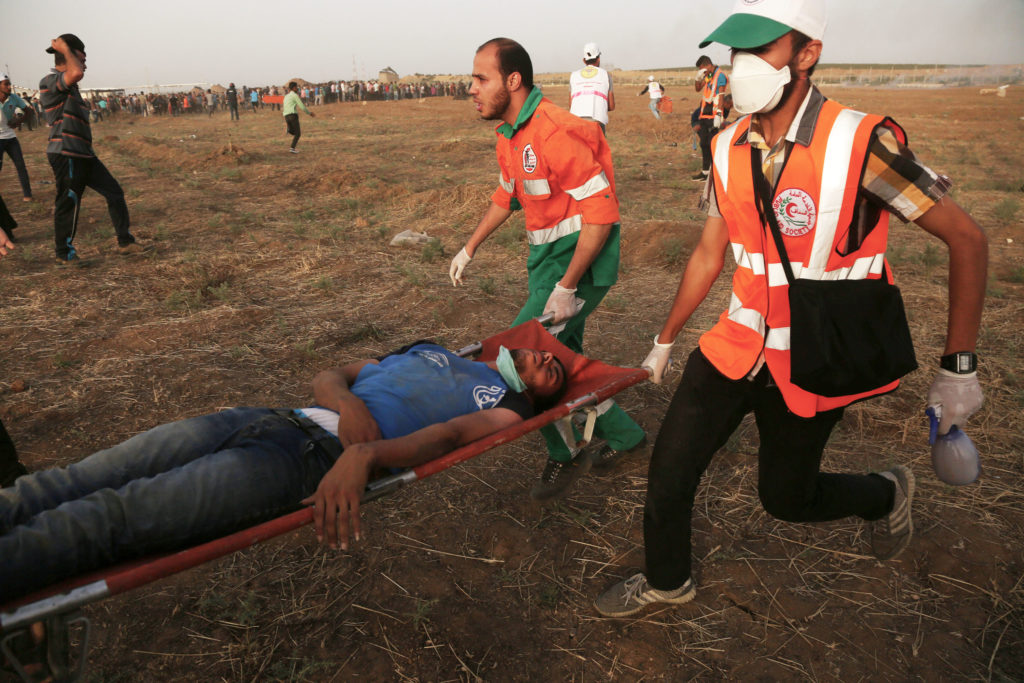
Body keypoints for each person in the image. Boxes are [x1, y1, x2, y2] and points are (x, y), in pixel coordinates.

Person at [595, 0, 987, 617]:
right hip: (734, 346)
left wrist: (959, 368)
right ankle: (668, 581)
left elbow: (967, 238)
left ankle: (884, 495)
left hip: (813, 358)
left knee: (786, 498)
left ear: (807, 55)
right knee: (668, 474)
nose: (739, 66)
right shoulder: (726, 146)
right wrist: (665, 339)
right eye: (734, 52)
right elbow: (709, 250)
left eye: (759, 50)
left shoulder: (861, 142)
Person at [0, 341, 567, 601]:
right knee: (71, 479)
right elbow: (330, 374)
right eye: (547, 355)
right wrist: (349, 406)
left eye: (557, 375)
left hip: (305, 461)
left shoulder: (506, 404)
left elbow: (448, 437)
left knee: (108, 516)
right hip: (267, 418)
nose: (550, 361)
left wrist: (364, 455)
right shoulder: (434, 349)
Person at [449, 38, 645, 501]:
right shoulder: (510, 137)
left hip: (577, 269)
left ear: (513, 80)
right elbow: (506, 197)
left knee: (519, 364)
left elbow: (601, 214)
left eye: (481, 79)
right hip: (547, 268)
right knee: (565, 367)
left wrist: (567, 286)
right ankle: (627, 437)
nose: (471, 89)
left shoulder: (556, 132)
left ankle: (563, 453)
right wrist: (469, 247)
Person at [39, 34, 145, 266]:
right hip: (66, 152)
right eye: (82, 58)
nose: (85, 64)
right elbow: (76, 71)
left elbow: (76, 74)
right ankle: (63, 253)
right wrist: (67, 48)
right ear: (69, 56)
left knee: (115, 193)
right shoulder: (50, 80)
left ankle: (125, 242)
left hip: (84, 154)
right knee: (69, 201)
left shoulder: (72, 87)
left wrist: (69, 52)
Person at [692, 55, 729, 181]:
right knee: (703, 144)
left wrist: (719, 114)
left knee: (712, 144)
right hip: (704, 115)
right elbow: (698, 89)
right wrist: (697, 79)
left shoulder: (720, 75)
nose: (702, 72)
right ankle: (705, 172)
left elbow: (721, 94)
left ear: (707, 64)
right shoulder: (708, 76)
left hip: (714, 116)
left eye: (702, 69)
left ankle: (715, 174)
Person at [0, 74, 34, 203]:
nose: (9, 87)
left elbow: (29, 111)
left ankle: (27, 194)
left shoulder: (13, 98)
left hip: (10, 137)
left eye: (10, 84)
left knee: (21, 165)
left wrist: (18, 122)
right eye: (6, 84)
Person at [568, 42, 615, 133]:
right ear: (598, 59)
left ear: (584, 60)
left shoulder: (574, 76)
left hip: (576, 122)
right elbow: (611, 106)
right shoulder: (606, 75)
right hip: (597, 122)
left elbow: (571, 104)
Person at [283, 81, 314, 153]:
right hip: (293, 115)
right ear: (294, 88)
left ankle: (289, 129)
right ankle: (292, 148)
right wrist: (309, 113)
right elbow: (302, 107)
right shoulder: (295, 95)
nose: (298, 89)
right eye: (297, 87)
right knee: (298, 134)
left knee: (295, 132)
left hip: (286, 116)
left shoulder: (286, 96)